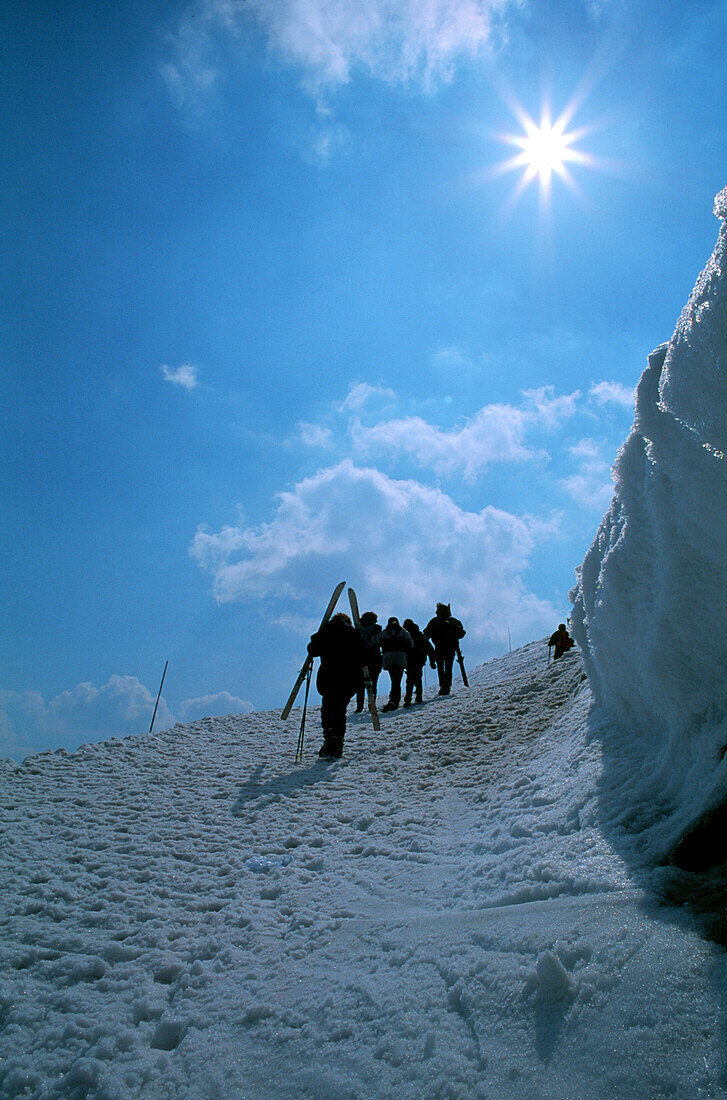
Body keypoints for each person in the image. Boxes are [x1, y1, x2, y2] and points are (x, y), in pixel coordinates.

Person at [307, 612, 368, 758]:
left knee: (328, 709)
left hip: (329, 676)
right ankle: (338, 743)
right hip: (349, 678)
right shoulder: (354, 633)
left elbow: (313, 650)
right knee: (340, 710)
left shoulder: (327, 631)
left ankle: (329, 739)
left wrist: (315, 638)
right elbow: (365, 654)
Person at [423, 602, 466, 696]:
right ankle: (447, 686)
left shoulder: (435, 621)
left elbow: (426, 634)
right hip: (451, 647)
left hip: (439, 647)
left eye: (437, 610)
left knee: (441, 668)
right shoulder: (453, 621)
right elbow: (462, 633)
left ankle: (443, 687)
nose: (435, 612)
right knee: (448, 667)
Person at [379, 617, 413, 712]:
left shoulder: (384, 632)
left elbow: (377, 641)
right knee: (397, 680)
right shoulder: (403, 631)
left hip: (388, 658)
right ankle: (394, 701)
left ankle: (393, 700)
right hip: (400, 657)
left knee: (393, 679)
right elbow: (411, 643)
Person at [402, 619, 435, 707]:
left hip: (409, 661)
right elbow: (430, 648)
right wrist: (432, 662)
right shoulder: (420, 635)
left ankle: (408, 700)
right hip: (419, 660)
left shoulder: (405, 636)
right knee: (418, 678)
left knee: (409, 680)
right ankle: (419, 697)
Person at [355, 611, 382, 713]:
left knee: (360, 685)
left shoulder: (358, 629)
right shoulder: (377, 629)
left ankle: (359, 707)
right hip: (374, 658)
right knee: (373, 683)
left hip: (361, 659)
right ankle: (372, 705)